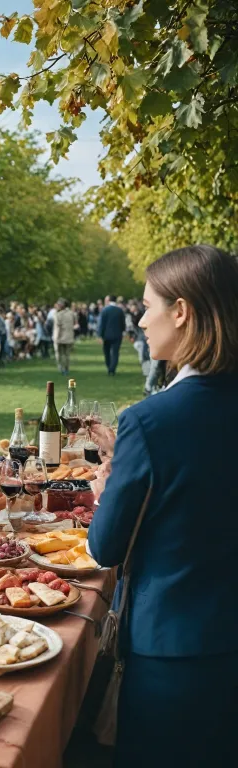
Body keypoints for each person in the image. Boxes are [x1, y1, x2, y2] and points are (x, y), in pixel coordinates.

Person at [88, 245, 238, 767]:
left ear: (182, 312)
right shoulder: (152, 425)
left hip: (174, 648)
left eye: (148, 305)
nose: (140, 320)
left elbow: (106, 546)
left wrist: (106, 487)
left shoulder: (152, 420)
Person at [97, 293, 126, 375]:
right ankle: (112, 369)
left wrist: (99, 335)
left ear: (108, 300)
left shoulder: (105, 310)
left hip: (106, 336)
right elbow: (123, 324)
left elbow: (101, 324)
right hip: (117, 335)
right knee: (115, 352)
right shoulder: (120, 310)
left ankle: (109, 366)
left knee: (107, 353)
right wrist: (123, 331)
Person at [52, 298, 75, 375]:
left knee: (60, 354)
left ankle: (61, 368)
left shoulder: (58, 314)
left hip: (60, 337)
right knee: (67, 354)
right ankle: (66, 368)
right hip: (69, 337)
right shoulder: (71, 313)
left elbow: (58, 327)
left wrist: (56, 338)